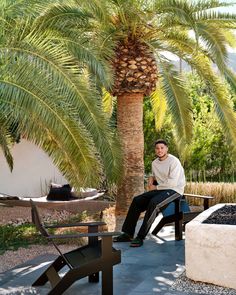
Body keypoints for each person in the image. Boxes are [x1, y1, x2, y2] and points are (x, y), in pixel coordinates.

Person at [113, 139, 186, 247]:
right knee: (137, 200)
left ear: (166, 149)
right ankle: (128, 234)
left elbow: (172, 183)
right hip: (161, 189)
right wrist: (151, 178)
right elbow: (156, 176)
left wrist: (155, 187)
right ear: (155, 150)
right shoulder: (154, 163)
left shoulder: (173, 161)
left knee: (154, 203)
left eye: (162, 148)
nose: (159, 150)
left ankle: (140, 237)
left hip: (175, 190)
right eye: (157, 148)